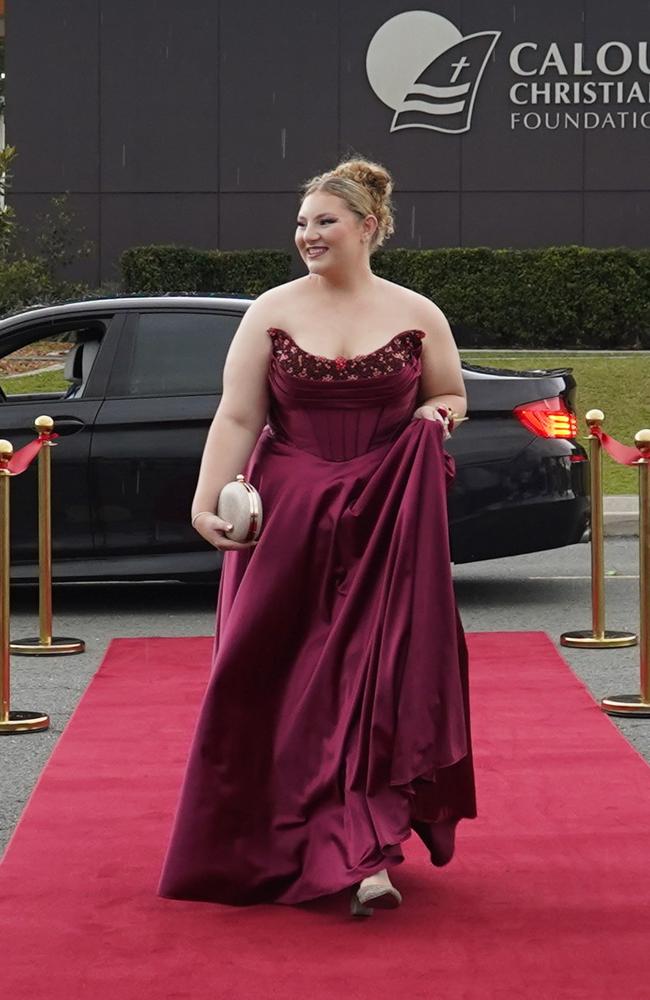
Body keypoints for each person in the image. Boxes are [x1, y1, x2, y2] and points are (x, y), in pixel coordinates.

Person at [158, 157, 477, 915]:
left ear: (368, 227)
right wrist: (208, 501)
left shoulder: (418, 311)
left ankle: (365, 855)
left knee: (373, 682)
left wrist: (438, 417)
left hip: (386, 520)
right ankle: (262, 839)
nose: (307, 234)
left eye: (324, 221)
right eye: (301, 223)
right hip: (289, 516)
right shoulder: (270, 309)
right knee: (270, 675)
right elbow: (239, 416)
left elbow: (449, 392)